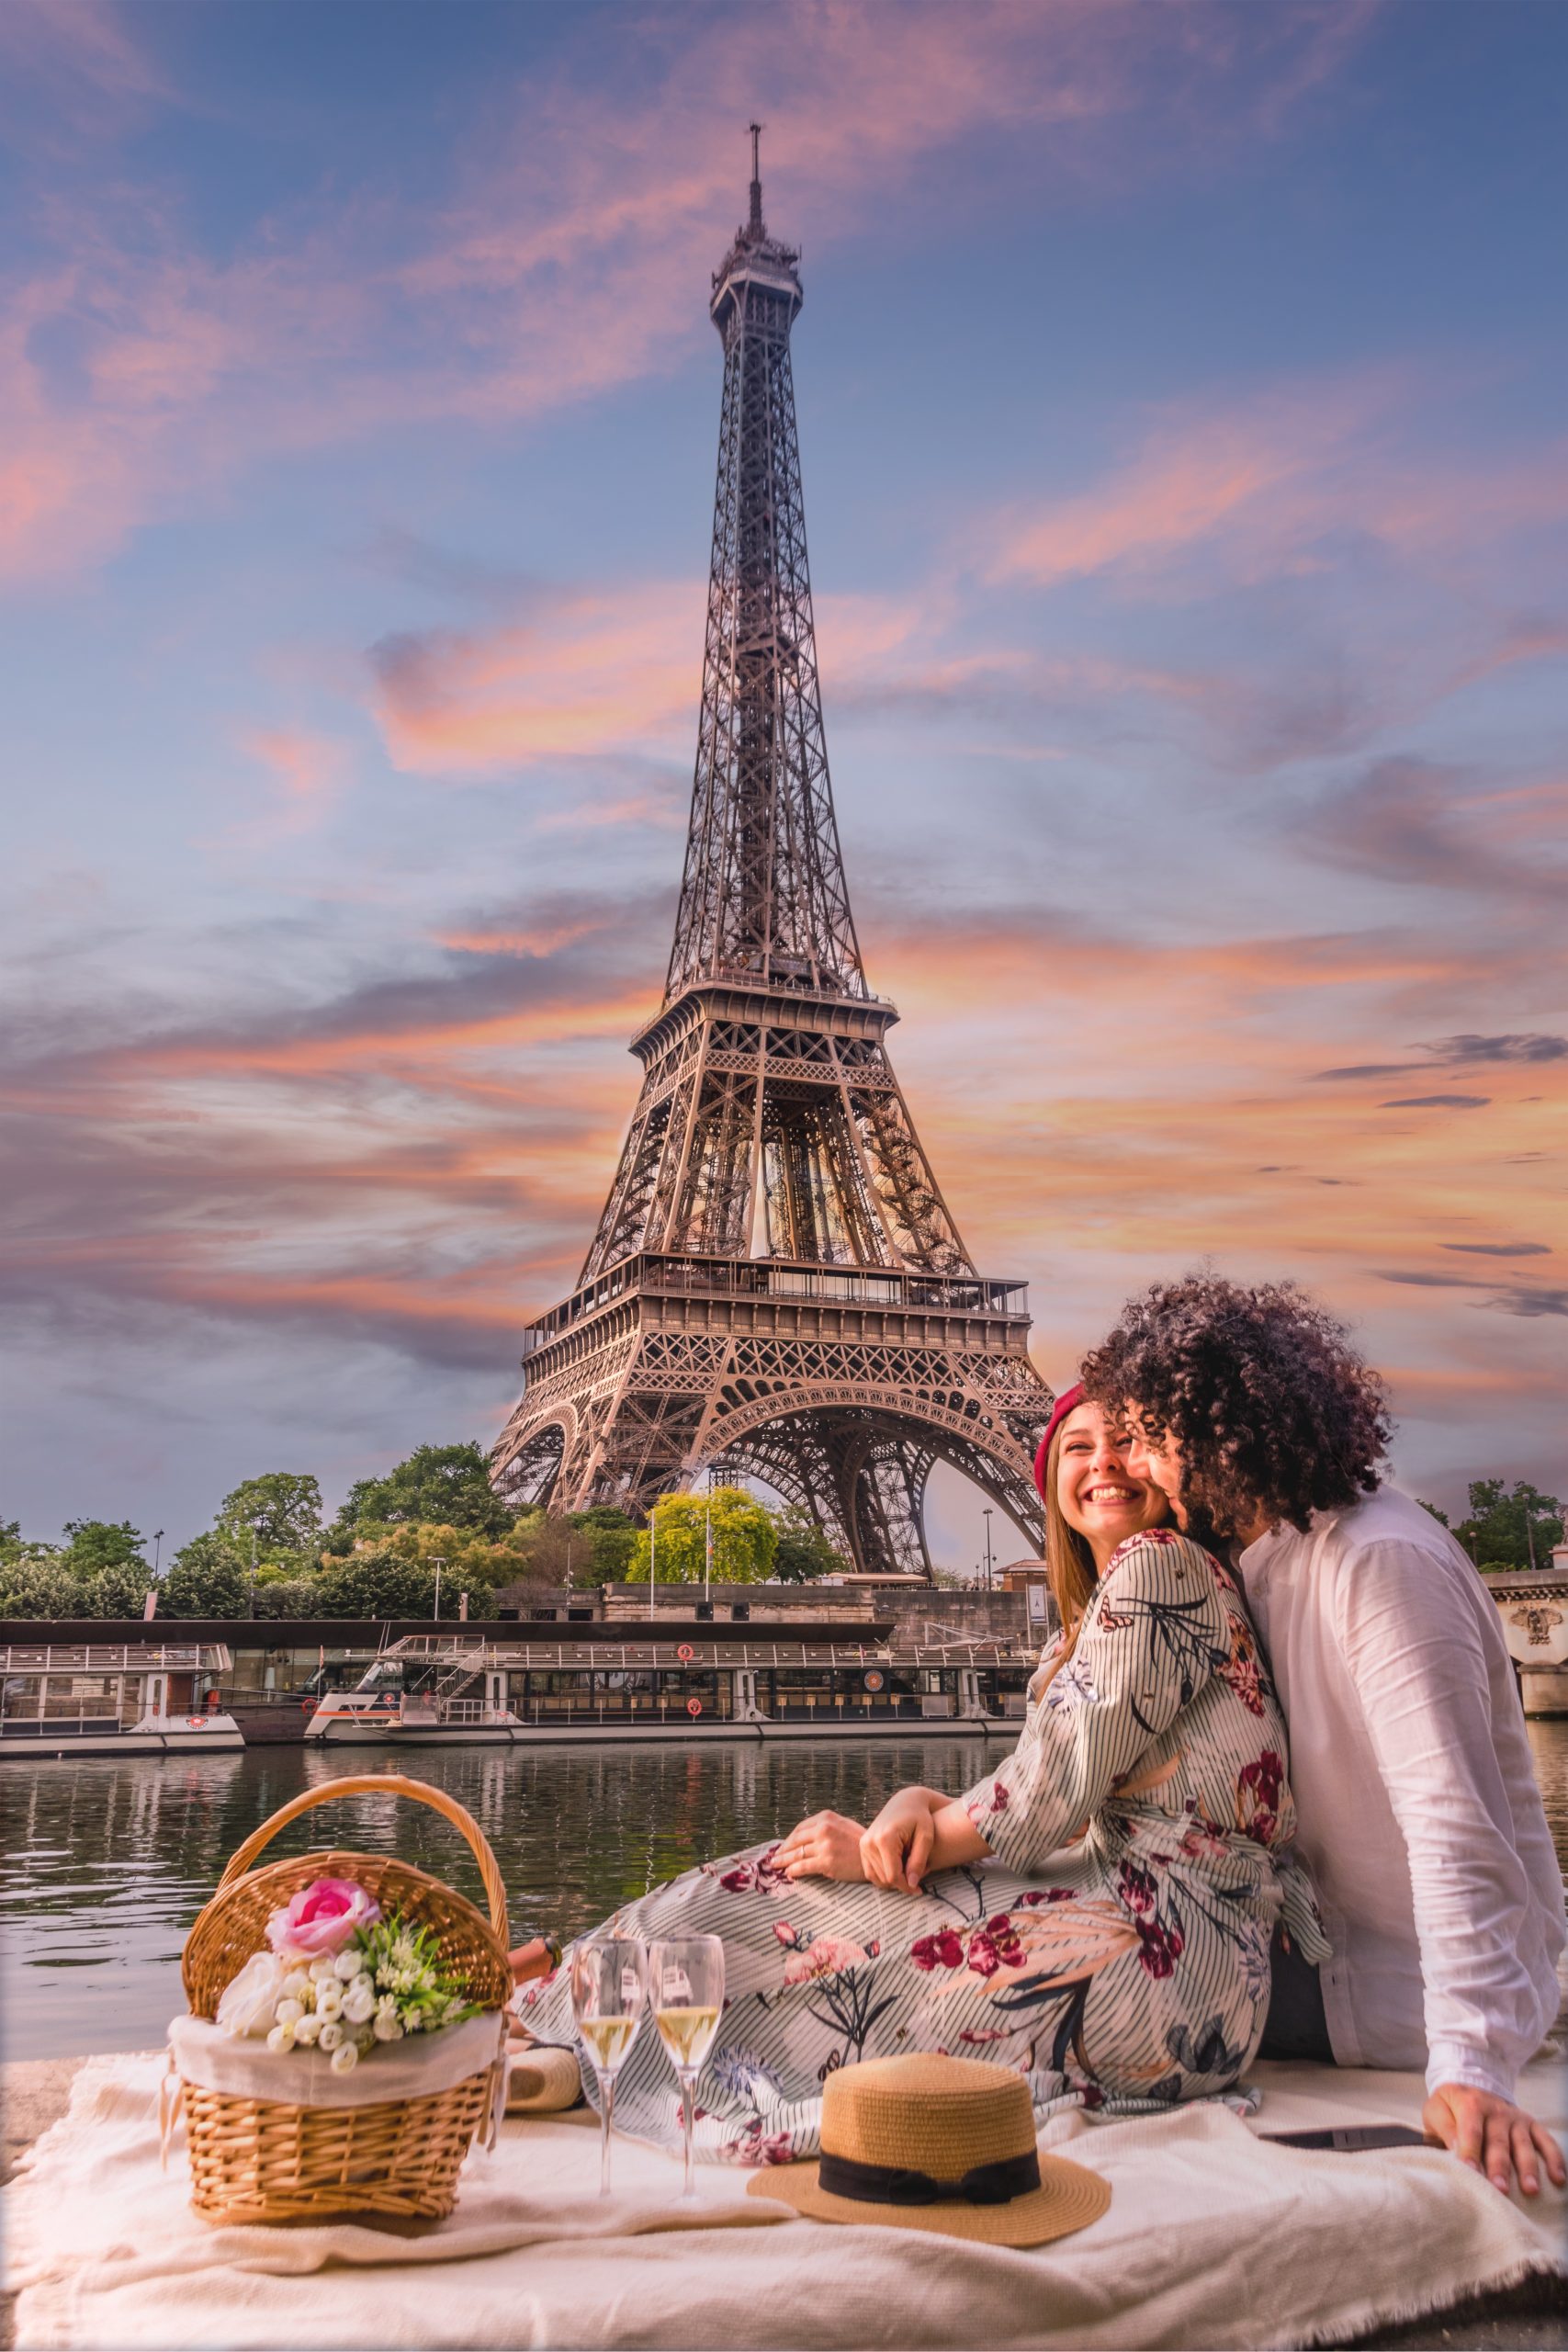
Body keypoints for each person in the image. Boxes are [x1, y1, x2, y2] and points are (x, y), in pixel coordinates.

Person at [511, 1393, 1319, 2163]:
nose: (1103, 1462)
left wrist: (877, 1844)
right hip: (1187, 1961)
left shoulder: (1159, 1566)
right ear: (1049, 1480)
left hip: (1155, 1967)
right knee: (790, 1893)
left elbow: (1043, 1802)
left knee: (791, 1897)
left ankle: (560, 2018)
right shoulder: (1091, 1624)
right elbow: (1053, 1794)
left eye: (1128, 1441)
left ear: (1170, 1467)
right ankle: (573, 2021)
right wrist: (910, 1803)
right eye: (1078, 1446)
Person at [1081, 1273, 1567, 2199]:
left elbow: (1451, 1826)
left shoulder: (1379, 1560)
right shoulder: (1269, 1559)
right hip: (1306, 1946)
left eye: (1148, 1439)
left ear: (1217, 1428)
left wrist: (1469, 2065)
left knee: (1022, 1953)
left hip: (1376, 1984)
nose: (1135, 1465)